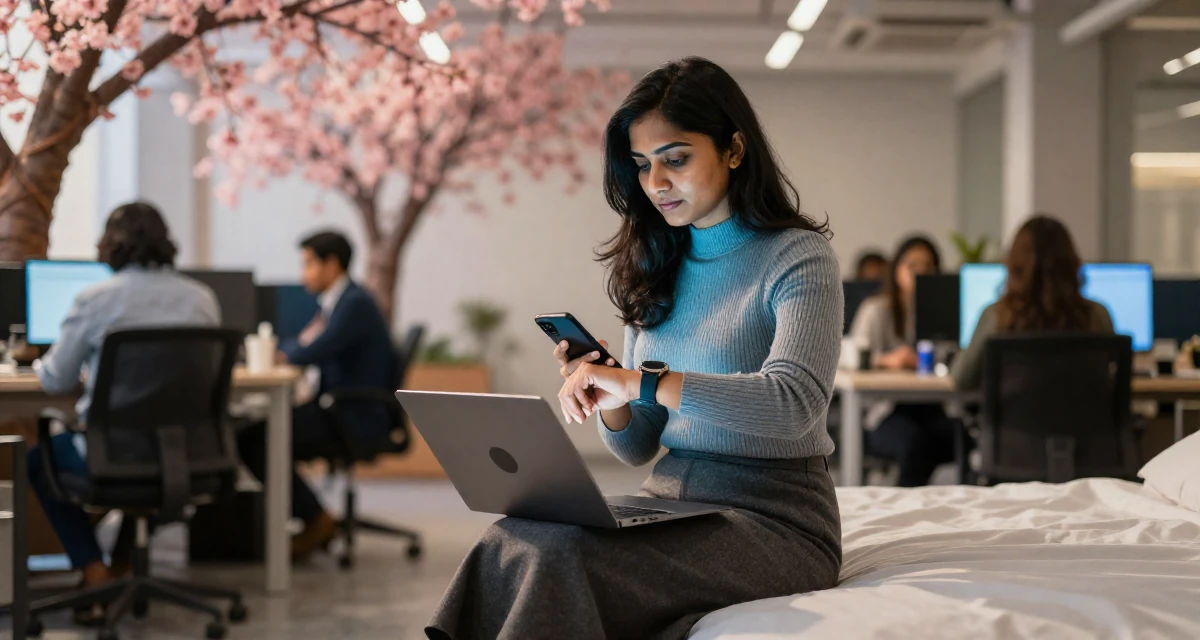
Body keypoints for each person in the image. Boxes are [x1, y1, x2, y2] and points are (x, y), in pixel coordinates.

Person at [427, 57, 843, 639]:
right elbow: (636, 446)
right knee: (513, 536)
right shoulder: (654, 262)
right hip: (672, 499)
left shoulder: (798, 257)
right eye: (643, 166)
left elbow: (794, 403)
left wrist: (641, 381)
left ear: (734, 150)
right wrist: (611, 393)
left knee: (562, 555)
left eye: (676, 159)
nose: (656, 183)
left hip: (779, 518)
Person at [27, 202, 220, 623]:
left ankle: (95, 572)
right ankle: (120, 567)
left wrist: (37, 361)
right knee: (143, 464)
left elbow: (55, 382)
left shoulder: (95, 299)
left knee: (38, 459)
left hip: (113, 456)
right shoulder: (202, 299)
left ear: (110, 245)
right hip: (184, 456)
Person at [236, 230, 394, 560]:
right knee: (256, 433)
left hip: (351, 415)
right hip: (339, 409)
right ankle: (311, 518)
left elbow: (312, 349)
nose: (302, 274)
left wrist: (285, 352)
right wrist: (290, 350)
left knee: (256, 440)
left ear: (331, 264)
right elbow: (303, 344)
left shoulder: (354, 304)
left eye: (308, 264)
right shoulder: (339, 302)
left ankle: (315, 520)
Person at [951, 215, 1113, 390]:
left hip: (1015, 418)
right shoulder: (1096, 315)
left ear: (1014, 265)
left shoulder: (998, 316)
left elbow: (962, 379)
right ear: (1071, 263)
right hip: (1087, 417)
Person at [849, 235, 957, 486]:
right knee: (916, 443)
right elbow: (853, 355)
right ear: (897, 269)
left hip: (934, 405)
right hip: (889, 410)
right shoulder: (877, 308)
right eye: (912, 265)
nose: (920, 273)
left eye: (928, 267)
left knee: (963, 438)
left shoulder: (944, 314)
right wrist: (889, 360)